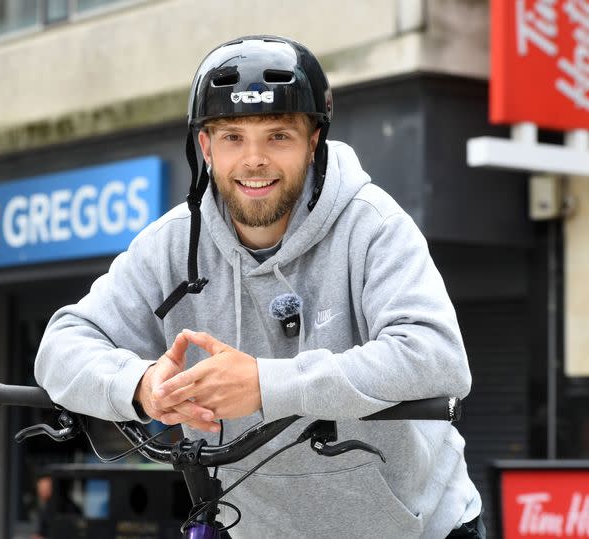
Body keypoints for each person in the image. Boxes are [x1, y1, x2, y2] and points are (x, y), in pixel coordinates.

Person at [35, 35, 484, 538]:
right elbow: (62, 344)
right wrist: (140, 386)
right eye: (232, 137)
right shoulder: (171, 245)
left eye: (278, 136)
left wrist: (265, 385)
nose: (254, 160)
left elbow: (436, 357)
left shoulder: (373, 225)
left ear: (314, 141)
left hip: (415, 529)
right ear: (205, 147)